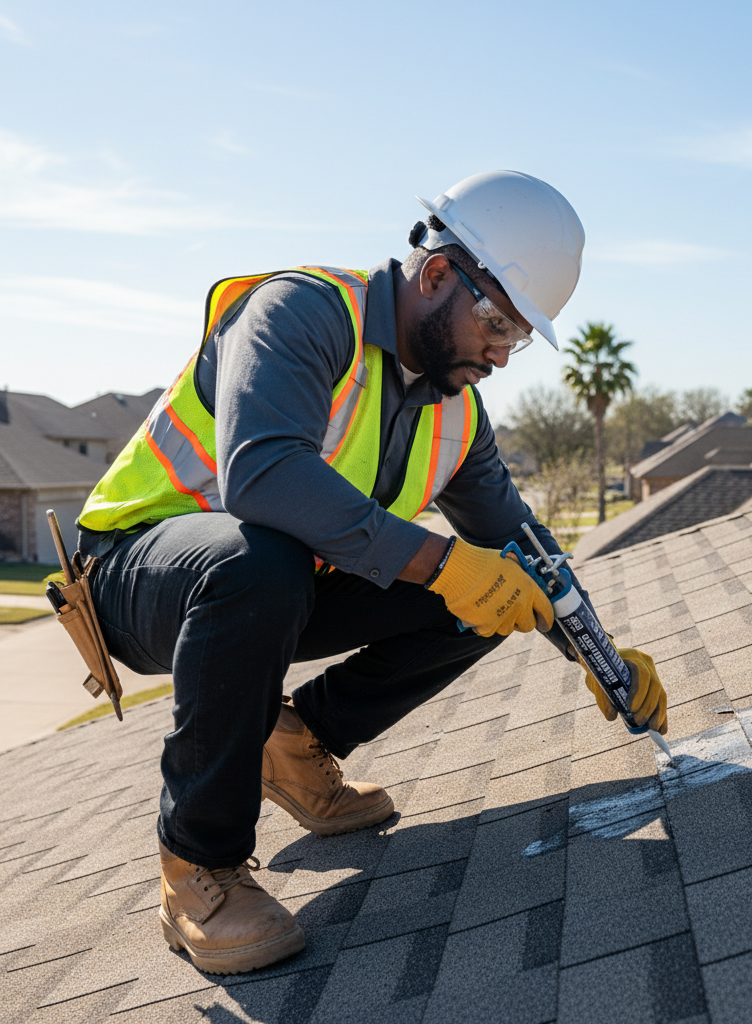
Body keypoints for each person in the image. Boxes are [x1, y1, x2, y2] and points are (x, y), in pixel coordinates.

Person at [76, 170, 669, 974]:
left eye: (519, 334)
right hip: (134, 573)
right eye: (496, 320)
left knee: (495, 591)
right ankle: (196, 866)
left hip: (271, 583)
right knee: (273, 560)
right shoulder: (304, 312)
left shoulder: (456, 408)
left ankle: (297, 741)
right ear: (435, 276)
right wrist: (440, 560)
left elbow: (523, 546)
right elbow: (260, 473)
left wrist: (596, 650)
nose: (501, 351)